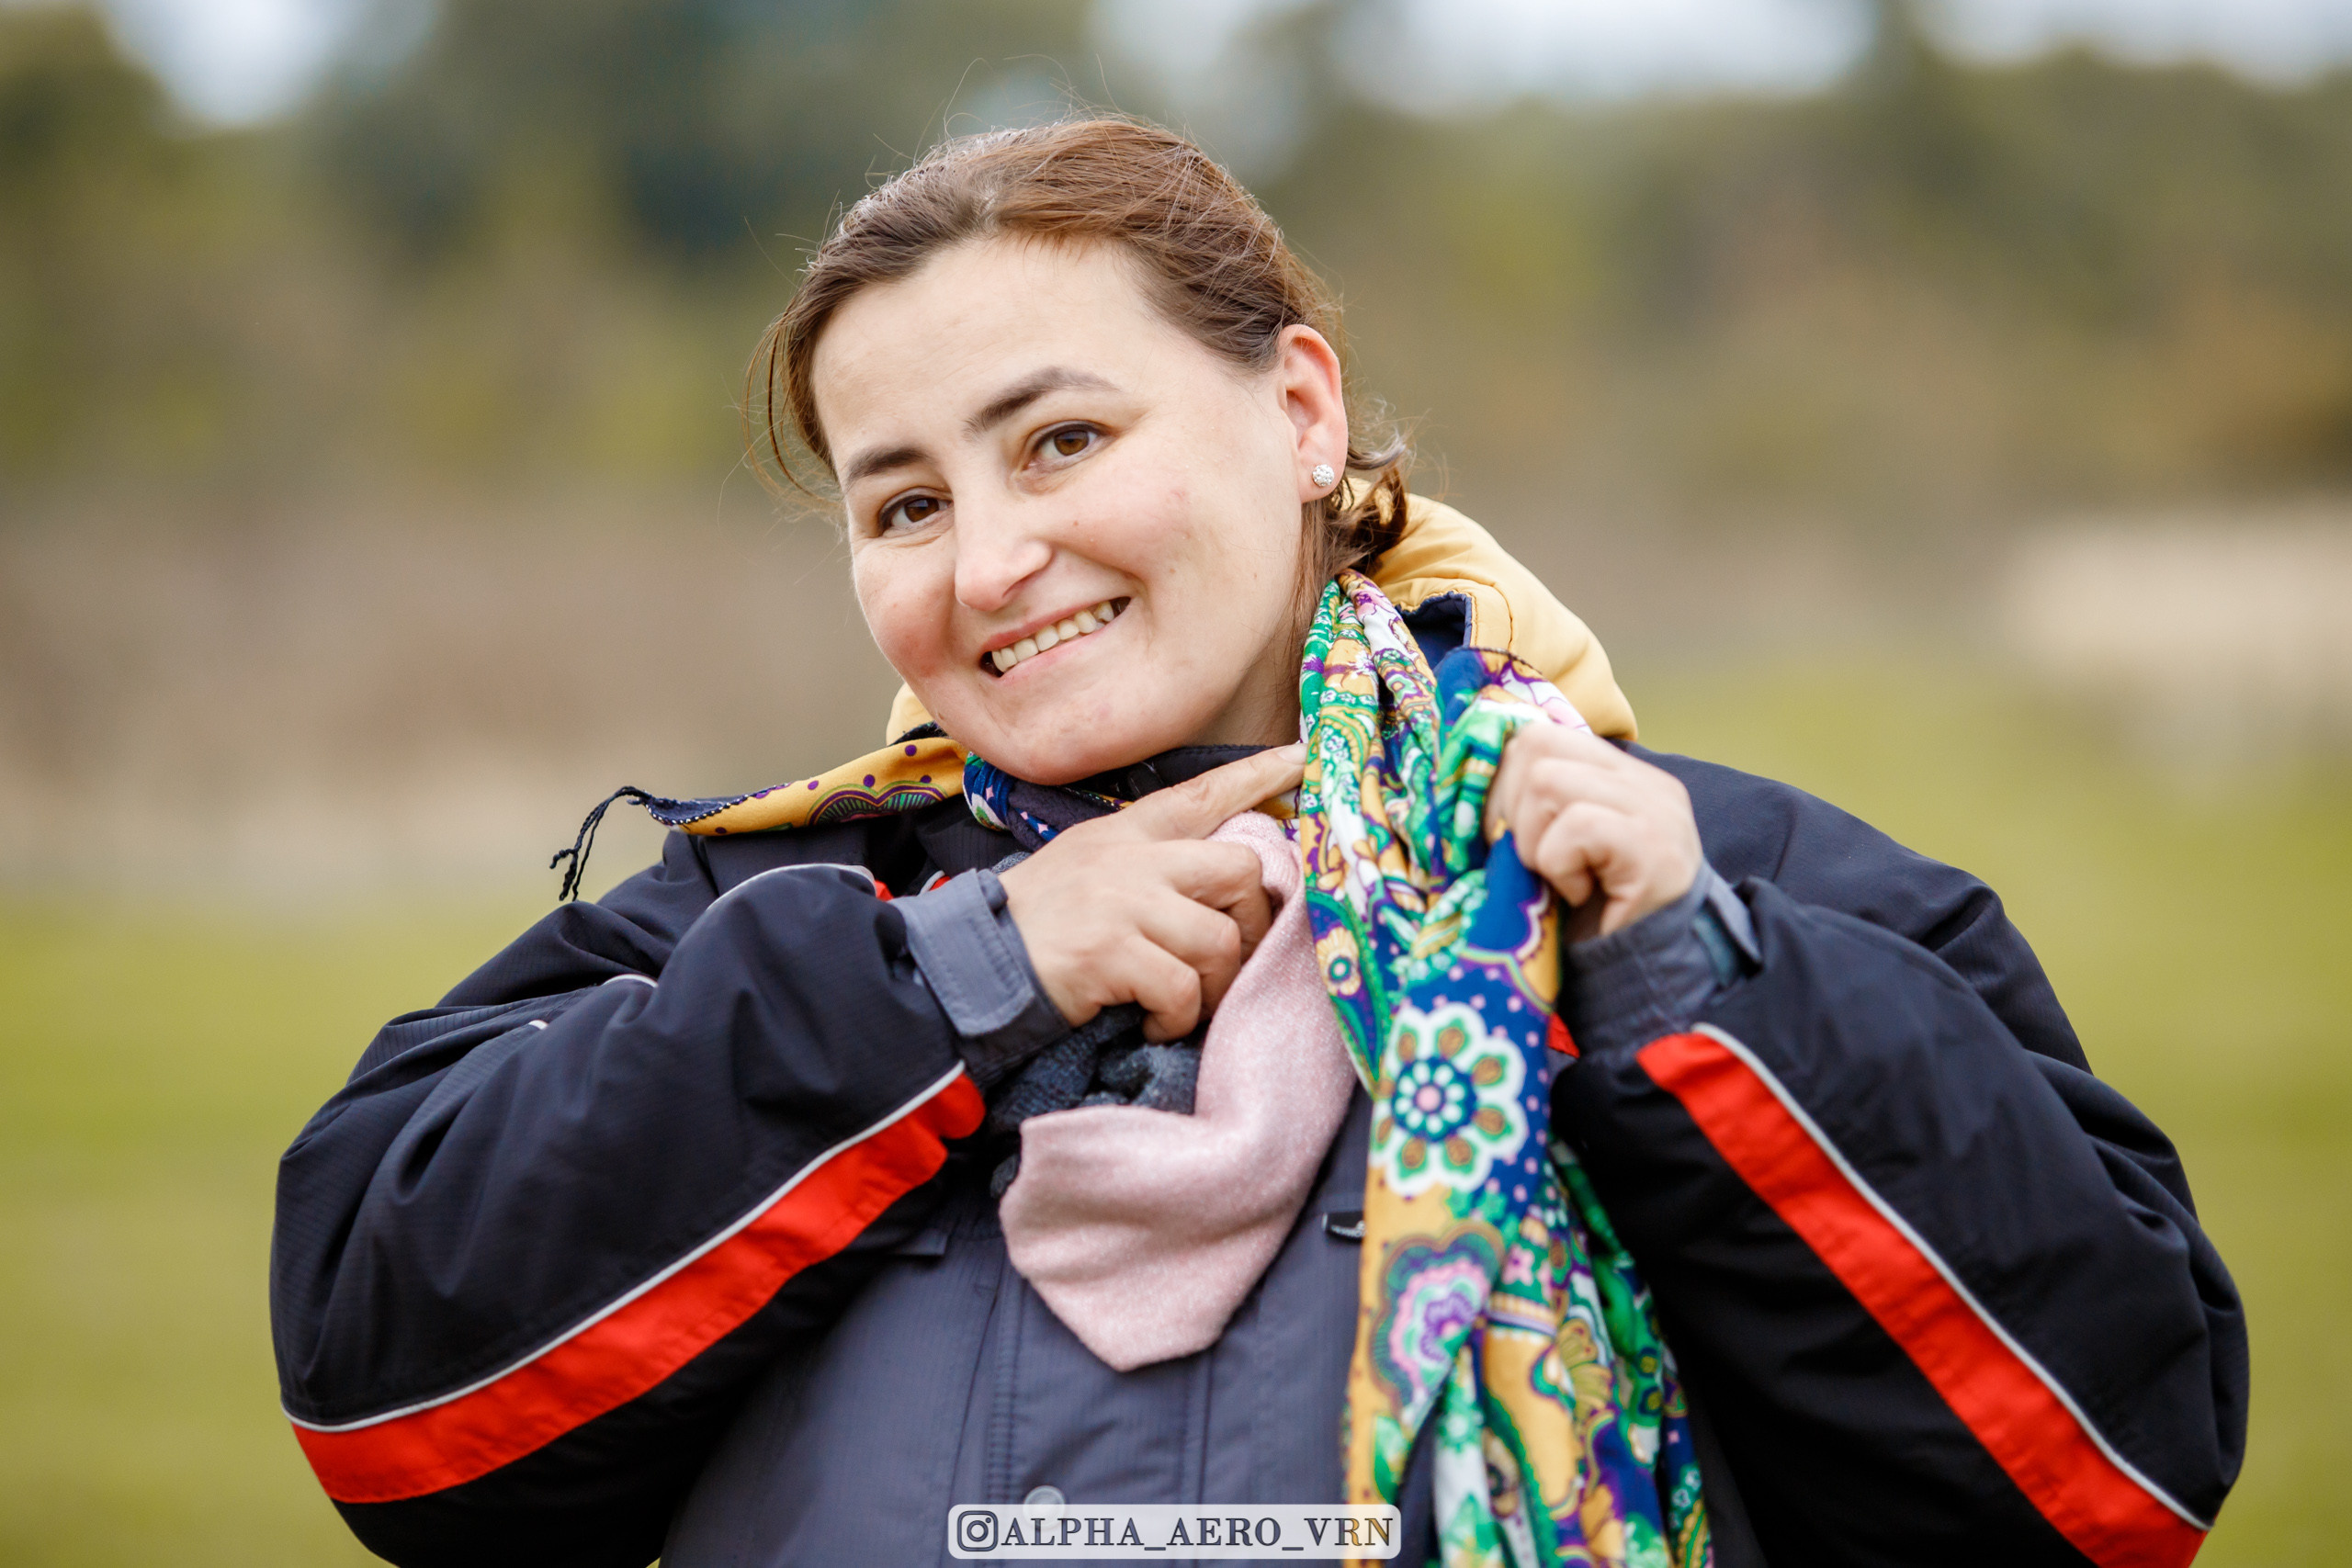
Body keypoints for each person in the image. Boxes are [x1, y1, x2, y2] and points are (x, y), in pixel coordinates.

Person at [268, 118, 2245, 1568]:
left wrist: (1677, 975)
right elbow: (390, 1404)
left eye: (1058, 440)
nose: (993, 559)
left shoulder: (1691, 883)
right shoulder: (782, 913)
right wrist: (969, 975)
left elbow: (2107, 1468)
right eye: (901, 505)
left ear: (1298, 407)